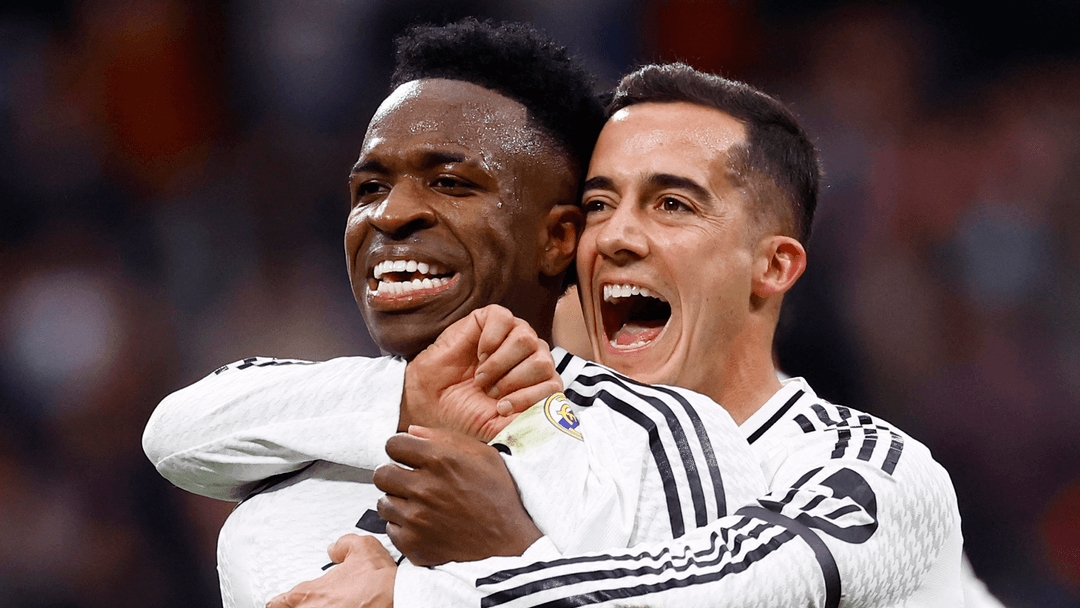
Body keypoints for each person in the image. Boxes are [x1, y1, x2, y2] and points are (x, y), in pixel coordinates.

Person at [263, 64, 966, 607]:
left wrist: (447, 576)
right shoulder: (537, 435)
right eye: (599, 203)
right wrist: (405, 401)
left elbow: (720, 592)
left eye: (672, 203)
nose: (615, 237)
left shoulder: (868, 472)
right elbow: (199, 439)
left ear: (773, 266)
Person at [142, 21, 768, 608]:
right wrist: (411, 398)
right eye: (370, 188)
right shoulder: (306, 440)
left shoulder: (659, 437)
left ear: (558, 238)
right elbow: (173, 435)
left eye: (449, 183)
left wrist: (448, 577)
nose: (390, 214)